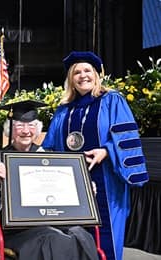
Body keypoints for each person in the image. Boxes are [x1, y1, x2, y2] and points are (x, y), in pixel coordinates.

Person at [42, 51, 149, 260]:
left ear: (96, 74)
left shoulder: (112, 100)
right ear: (71, 79)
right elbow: (50, 146)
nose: (83, 75)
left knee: (105, 236)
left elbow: (126, 135)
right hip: (70, 184)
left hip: (106, 182)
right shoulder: (64, 110)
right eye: (77, 72)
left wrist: (107, 150)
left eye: (87, 71)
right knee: (72, 235)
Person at [0, 100, 99, 260]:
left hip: (53, 223)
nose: (26, 131)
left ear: (38, 129)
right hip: (15, 230)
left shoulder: (49, 159)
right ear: (10, 130)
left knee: (80, 235)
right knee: (53, 239)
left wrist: (85, 193)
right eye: (19, 126)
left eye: (31, 125)